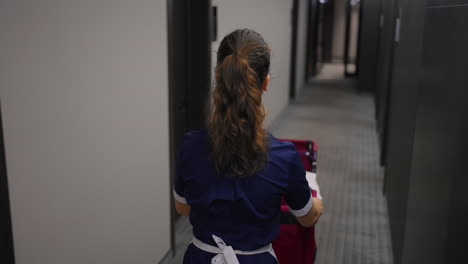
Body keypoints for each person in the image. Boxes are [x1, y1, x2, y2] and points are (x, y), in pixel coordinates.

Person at [173, 29, 323, 264]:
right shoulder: (284, 158)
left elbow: (182, 206)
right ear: (266, 82)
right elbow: (306, 217)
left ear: (218, 76)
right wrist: (318, 202)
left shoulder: (191, 146)